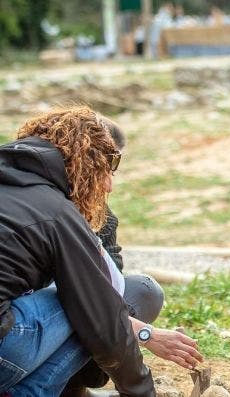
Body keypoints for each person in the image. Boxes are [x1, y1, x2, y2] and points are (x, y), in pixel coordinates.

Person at [0, 106, 202, 395]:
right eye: (106, 170)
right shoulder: (56, 212)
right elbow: (103, 317)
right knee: (85, 303)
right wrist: (142, 390)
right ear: (84, 163)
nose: (108, 186)